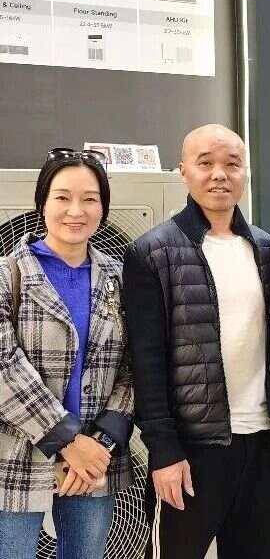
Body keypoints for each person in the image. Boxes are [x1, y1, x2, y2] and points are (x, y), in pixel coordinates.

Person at [123, 125, 270, 559]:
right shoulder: (151, 252)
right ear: (183, 171)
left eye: (232, 164)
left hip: (261, 442)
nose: (220, 174)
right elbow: (146, 362)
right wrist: (163, 451)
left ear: (246, 172)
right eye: (206, 163)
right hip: (191, 450)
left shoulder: (267, 249)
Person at [0, 148, 133, 559]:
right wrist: (66, 441)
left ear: (103, 208)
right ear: (42, 203)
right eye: (62, 197)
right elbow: (4, 366)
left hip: (96, 459)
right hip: (17, 456)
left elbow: (137, 366)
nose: (76, 210)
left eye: (89, 199)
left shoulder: (122, 278)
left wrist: (99, 445)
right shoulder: (8, 273)